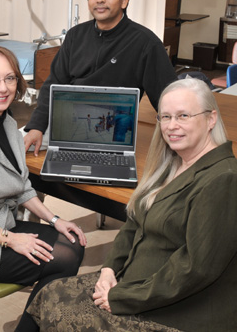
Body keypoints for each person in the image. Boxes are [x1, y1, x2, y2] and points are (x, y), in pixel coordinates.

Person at [26, 78, 237, 332]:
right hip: (133, 281)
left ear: (211, 119)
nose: (172, 126)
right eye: (166, 117)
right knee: (49, 294)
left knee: (60, 311)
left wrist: (120, 298)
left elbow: (194, 270)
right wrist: (107, 269)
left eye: (183, 116)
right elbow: (134, 223)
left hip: (176, 309)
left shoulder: (223, 179)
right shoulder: (173, 163)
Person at [0, 46, 87, 332]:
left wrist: (55, 220)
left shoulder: (9, 124)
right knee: (62, 259)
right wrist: (13, 240)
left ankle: (29, 326)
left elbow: (22, 187)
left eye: (10, 78)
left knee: (73, 243)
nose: (3, 88)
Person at [24, 0, 177, 155]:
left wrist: (177, 135)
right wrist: (36, 126)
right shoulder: (75, 36)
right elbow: (53, 83)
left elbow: (168, 98)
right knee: (13, 150)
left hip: (112, 130)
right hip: (66, 123)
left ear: (124, 0)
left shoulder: (145, 43)